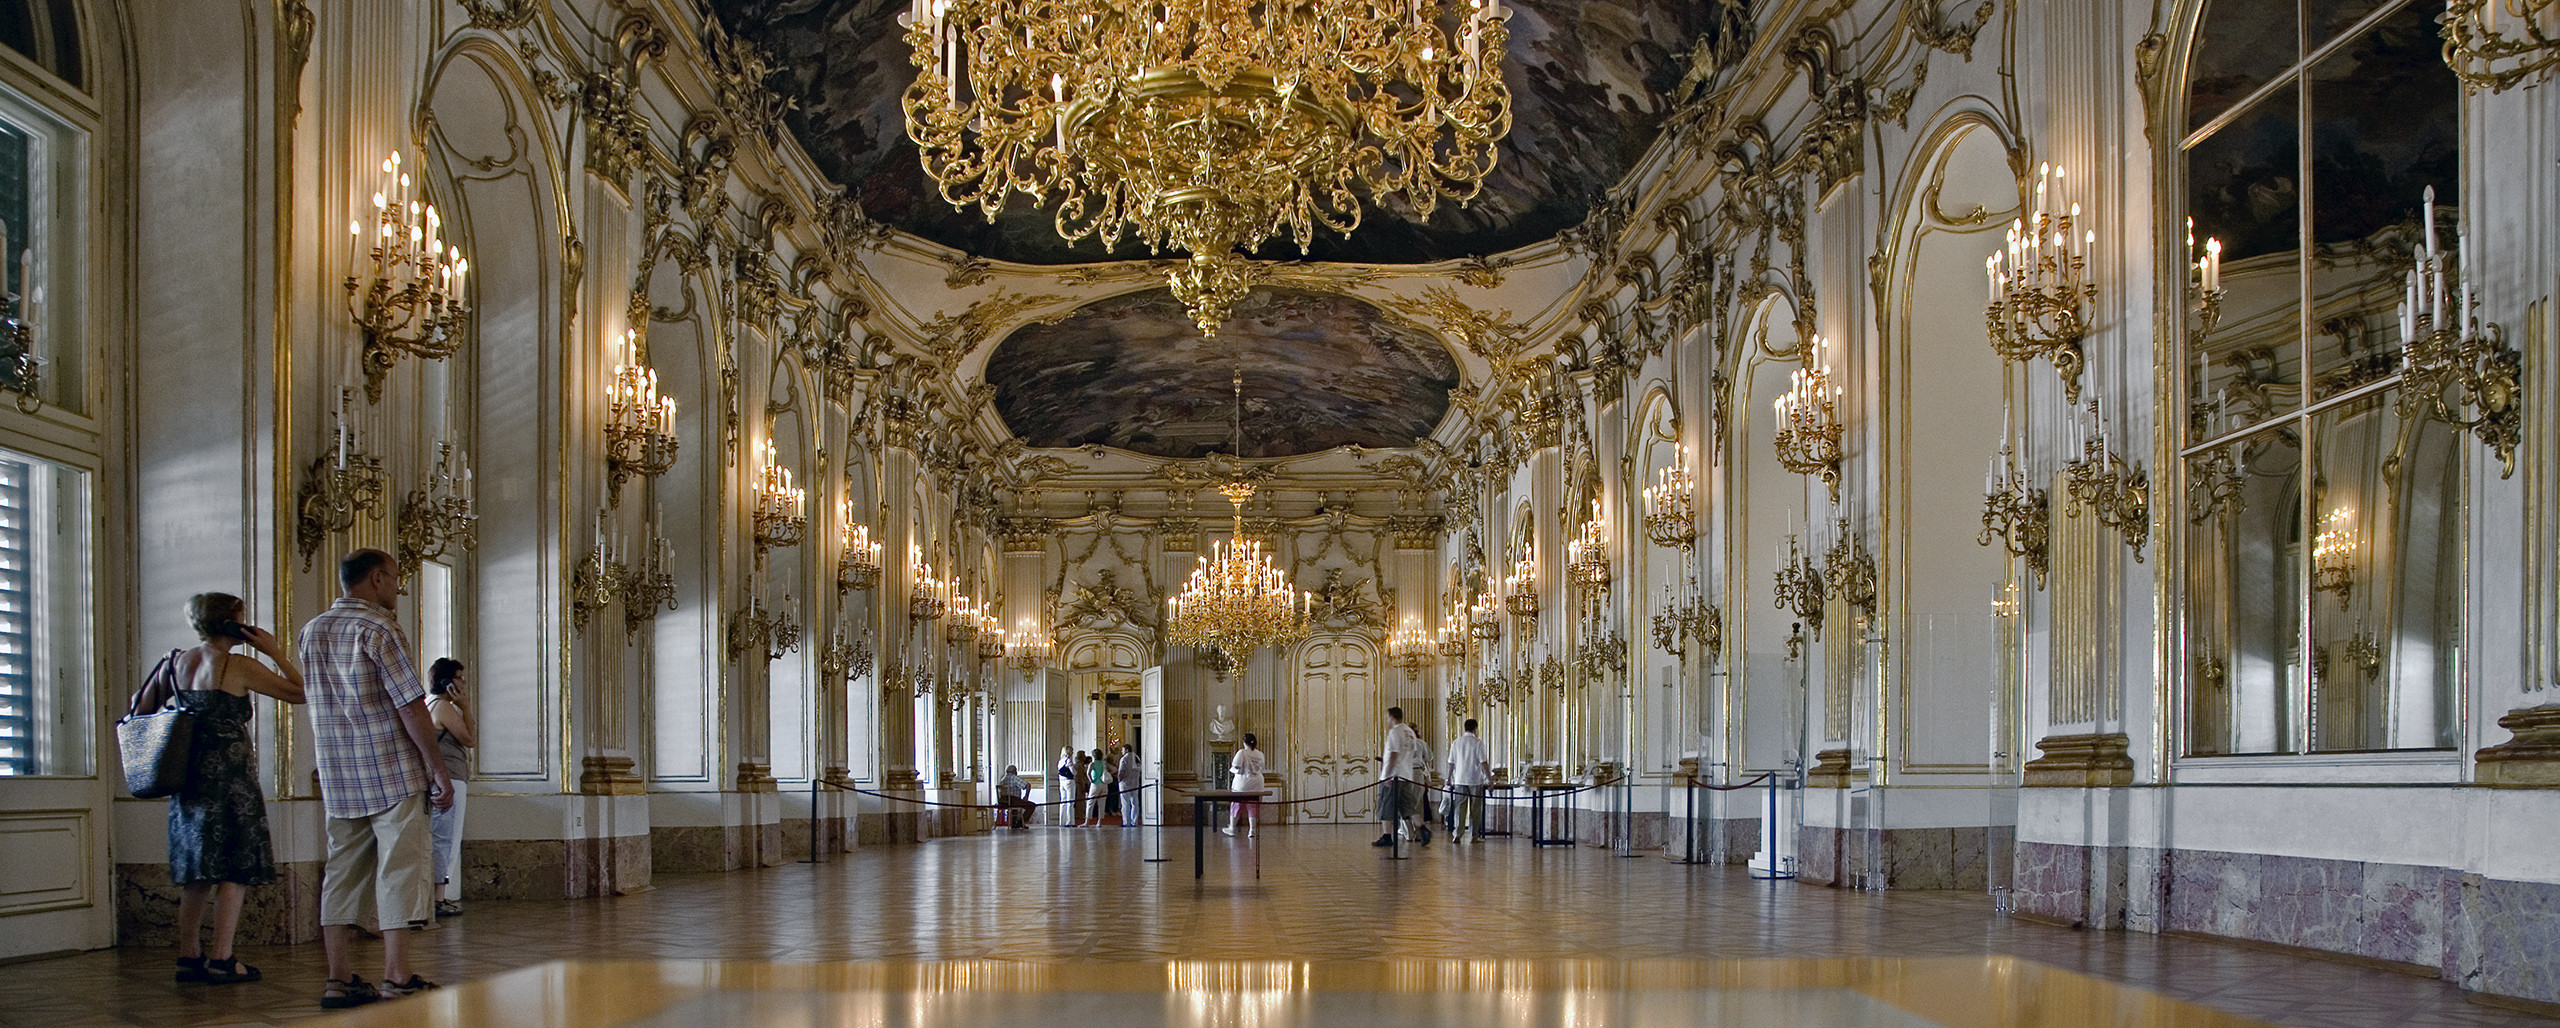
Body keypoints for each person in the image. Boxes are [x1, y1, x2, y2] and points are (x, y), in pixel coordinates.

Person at [300, 549, 452, 1010]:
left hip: (339, 774)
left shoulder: (312, 630)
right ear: (377, 577)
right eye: (396, 580)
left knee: (340, 874)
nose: (398, 589)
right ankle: (396, 974)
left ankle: (337, 979)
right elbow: (410, 704)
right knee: (398, 871)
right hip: (391, 769)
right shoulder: (380, 628)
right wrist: (437, 765)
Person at [164, 592, 305, 986]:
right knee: (234, 868)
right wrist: (275, 651)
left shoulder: (176, 662)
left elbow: (142, 708)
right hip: (230, 780)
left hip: (188, 779)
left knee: (197, 869)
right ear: (233, 623)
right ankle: (221, 958)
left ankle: (188, 956)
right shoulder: (238, 664)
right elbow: (303, 692)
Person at [424, 659, 474, 918]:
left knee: (441, 837)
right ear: (446, 681)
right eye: (459, 677)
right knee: (447, 838)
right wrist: (465, 706)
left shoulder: (430, 705)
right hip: (450, 779)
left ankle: (436, 897)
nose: (463, 683)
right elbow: (470, 739)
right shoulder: (443, 707)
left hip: (444, 778)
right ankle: (438, 899)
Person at [1372, 706, 1429, 847]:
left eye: (1387, 717)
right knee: (1408, 807)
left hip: (1394, 776)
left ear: (1391, 717)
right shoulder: (1409, 732)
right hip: (1406, 775)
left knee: (1386, 806)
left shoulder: (1395, 732)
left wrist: (1387, 775)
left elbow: (1393, 754)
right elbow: (1414, 753)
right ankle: (1423, 829)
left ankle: (1387, 836)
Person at [1445, 718, 1491, 843]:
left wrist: (1449, 779)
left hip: (1459, 779)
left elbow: (1451, 763)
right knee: (1475, 809)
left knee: (1460, 808)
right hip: (1474, 779)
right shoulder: (1478, 742)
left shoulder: (1456, 742)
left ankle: (1458, 834)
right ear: (1475, 729)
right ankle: (1473, 835)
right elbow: (1483, 763)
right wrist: (1489, 778)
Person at [1222, 732, 1265, 838]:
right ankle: (1252, 830)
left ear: (1244, 742)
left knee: (1236, 805)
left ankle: (1232, 827)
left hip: (1243, 783)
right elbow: (1261, 768)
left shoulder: (1242, 752)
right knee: (1253, 807)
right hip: (1257, 783)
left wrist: (1231, 770)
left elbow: (1236, 767)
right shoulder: (1260, 754)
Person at [995, 765, 1033, 829]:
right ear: (1015, 771)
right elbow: (1027, 785)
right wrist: (1026, 796)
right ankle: (1020, 822)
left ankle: (1014, 823)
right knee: (1031, 806)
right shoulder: (1015, 778)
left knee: (1014, 807)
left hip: (1002, 801)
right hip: (1013, 800)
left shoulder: (1003, 779)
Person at [1115, 743, 1144, 828]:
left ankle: (1126, 822)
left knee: (1125, 803)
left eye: (1123, 749)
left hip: (1125, 783)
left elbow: (1121, 771)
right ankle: (1134, 821)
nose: (1121, 751)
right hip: (1135, 783)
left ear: (1126, 750)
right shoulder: (1136, 757)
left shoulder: (1124, 758)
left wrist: (1119, 780)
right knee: (1135, 803)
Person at [1088, 745, 1115, 824]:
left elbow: (1088, 773)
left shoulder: (1092, 764)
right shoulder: (1104, 764)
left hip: (1095, 784)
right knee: (1102, 804)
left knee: (1090, 803)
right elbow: (1114, 769)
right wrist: (1108, 774)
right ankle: (1099, 822)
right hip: (1104, 784)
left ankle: (1087, 821)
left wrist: (1091, 780)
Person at [1070, 750, 1093, 826]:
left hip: (1080, 783)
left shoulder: (1080, 765)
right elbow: (1079, 777)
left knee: (1081, 799)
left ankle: (1080, 813)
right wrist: (1083, 784)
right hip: (1079, 784)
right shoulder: (1079, 765)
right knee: (1080, 800)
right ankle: (1079, 814)